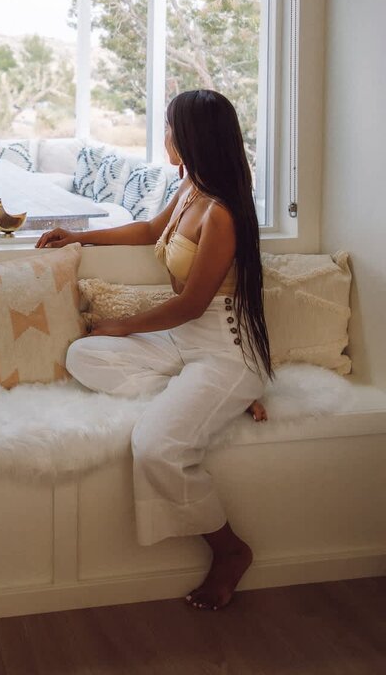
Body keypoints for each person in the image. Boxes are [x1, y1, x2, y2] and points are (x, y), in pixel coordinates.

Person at [36, 89, 271, 610]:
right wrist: (78, 236)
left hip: (226, 352)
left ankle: (230, 550)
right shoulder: (191, 186)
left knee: (156, 446)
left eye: (168, 127)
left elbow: (191, 305)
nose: (164, 136)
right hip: (183, 343)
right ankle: (215, 398)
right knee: (82, 355)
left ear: (191, 137)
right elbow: (149, 230)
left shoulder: (222, 214)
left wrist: (122, 326)